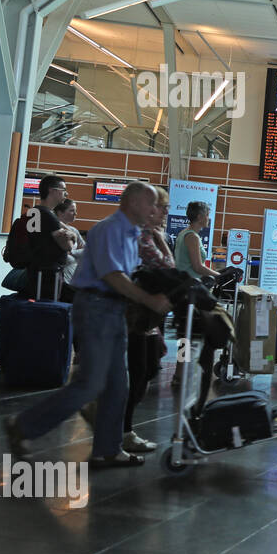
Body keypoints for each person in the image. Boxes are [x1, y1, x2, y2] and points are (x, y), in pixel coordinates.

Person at [4, 182, 172, 467]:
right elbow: (112, 275)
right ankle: (23, 425)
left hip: (114, 309)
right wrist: (149, 300)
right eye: (151, 203)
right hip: (97, 308)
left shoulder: (132, 232)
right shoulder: (110, 229)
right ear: (133, 203)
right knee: (90, 384)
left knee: (118, 385)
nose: (155, 210)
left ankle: (108, 449)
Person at [123, 186, 174, 452]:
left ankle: (121, 428)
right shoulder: (142, 234)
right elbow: (167, 266)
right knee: (138, 373)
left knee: (148, 369)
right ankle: (121, 430)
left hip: (145, 317)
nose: (164, 212)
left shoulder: (148, 234)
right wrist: (161, 239)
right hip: (133, 315)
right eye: (161, 207)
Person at [17, 174, 76, 299]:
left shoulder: (35, 211)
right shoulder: (48, 216)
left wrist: (69, 232)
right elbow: (68, 246)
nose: (66, 194)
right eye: (63, 190)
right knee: (48, 308)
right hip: (49, 275)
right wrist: (72, 235)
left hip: (35, 271)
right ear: (52, 190)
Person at [173, 201, 220, 282]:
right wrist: (219, 275)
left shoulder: (185, 233)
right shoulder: (192, 237)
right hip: (189, 283)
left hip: (186, 280)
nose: (208, 218)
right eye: (207, 215)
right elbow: (198, 267)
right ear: (199, 217)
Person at [53, 198, 85, 286]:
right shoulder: (53, 230)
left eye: (75, 211)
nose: (75, 213)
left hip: (74, 277)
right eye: (72, 211)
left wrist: (73, 253)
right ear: (60, 213)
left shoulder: (74, 230)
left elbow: (87, 251)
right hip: (60, 278)